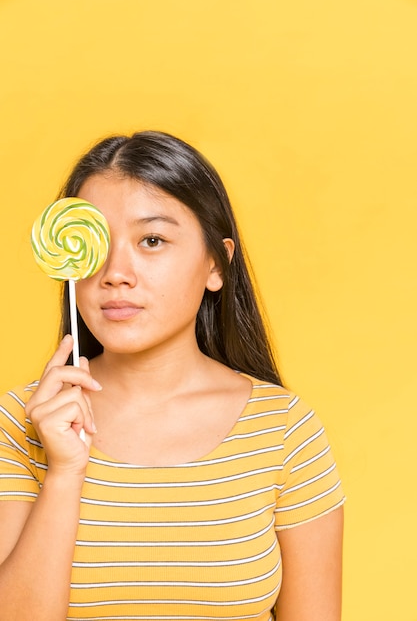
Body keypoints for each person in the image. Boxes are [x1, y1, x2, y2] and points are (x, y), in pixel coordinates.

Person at [0, 131, 345, 621]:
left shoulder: (284, 430)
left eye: (153, 240)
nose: (116, 273)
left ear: (216, 262)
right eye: (95, 242)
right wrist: (64, 473)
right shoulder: (19, 421)